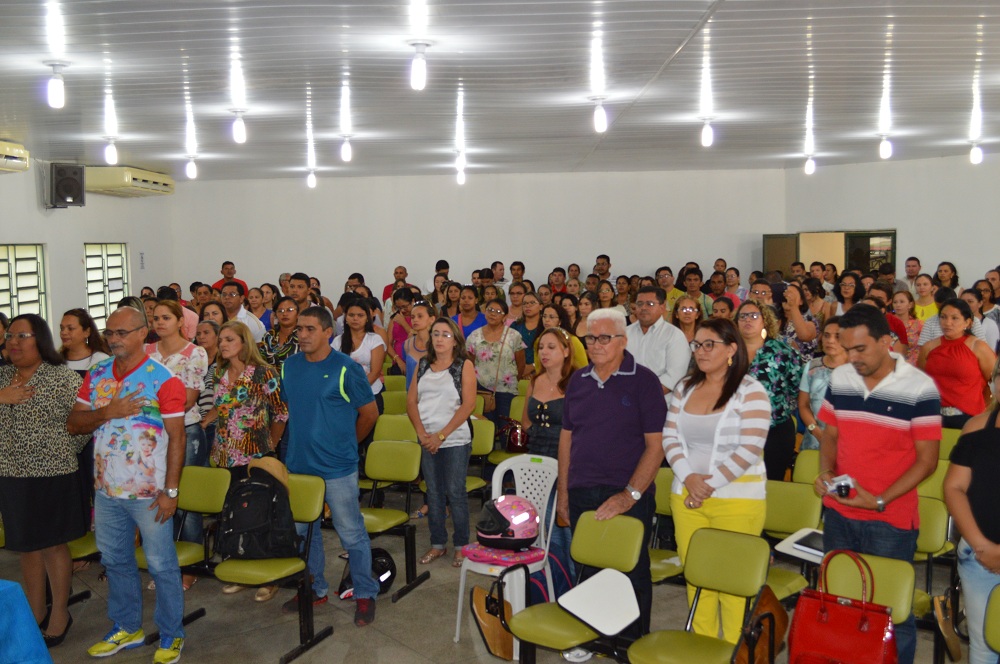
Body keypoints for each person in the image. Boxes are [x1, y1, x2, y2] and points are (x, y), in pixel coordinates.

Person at [813, 303, 942, 664]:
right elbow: (830, 436)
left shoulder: (919, 387)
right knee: (841, 602)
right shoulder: (841, 379)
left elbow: (927, 461)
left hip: (891, 519)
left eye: (860, 349)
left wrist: (880, 500)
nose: (852, 357)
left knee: (890, 612)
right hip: (840, 513)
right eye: (846, 348)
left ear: (886, 342)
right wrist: (824, 472)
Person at [68, 306, 188, 662]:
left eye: (122, 333)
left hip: (150, 495)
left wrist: (171, 492)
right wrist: (108, 411)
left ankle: (171, 634)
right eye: (110, 333)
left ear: (142, 333)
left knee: (161, 565)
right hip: (106, 491)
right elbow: (75, 423)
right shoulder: (97, 373)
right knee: (116, 560)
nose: (114, 339)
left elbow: (177, 438)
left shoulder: (163, 378)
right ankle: (127, 627)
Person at [556, 308, 667, 637]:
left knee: (630, 571)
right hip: (581, 490)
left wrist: (628, 496)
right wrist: (563, 493)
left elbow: (656, 446)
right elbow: (567, 440)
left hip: (627, 492)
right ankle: (592, 638)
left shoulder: (644, 381)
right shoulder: (578, 379)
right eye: (591, 338)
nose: (596, 344)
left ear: (623, 340)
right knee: (588, 567)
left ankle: (632, 644)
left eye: (605, 337)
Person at [663, 317, 771, 643]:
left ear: (731, 349)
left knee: (733, 585)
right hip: (687, 498)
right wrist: (690, 479)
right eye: (697, 344)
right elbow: (671, 438)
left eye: (710, 344)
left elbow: (750, 448)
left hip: (738, 502)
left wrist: (706, 485)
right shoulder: (684, 387)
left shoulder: (750, 390)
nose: (701, 351)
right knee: (697, 580)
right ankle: (702, 648)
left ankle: (733, 651)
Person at [280, 306, 379, 626]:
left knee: (351, 532)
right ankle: (315, 587)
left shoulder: (346, 368)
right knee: (303, 532)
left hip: (337, 466)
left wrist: (346, 445)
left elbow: (369, 415)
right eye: (300, 329)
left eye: (310, 329)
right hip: (299, 464)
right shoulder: (290, 367)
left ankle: (365, 592)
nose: (303, 335)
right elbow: (287, 411)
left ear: (327, 333)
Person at [0, 314, 87, 648]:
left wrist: (55, 451)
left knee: (51, 544)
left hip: (53, 473)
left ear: (41, 340)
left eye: (22, 336)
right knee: (27, 546)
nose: (14, 342)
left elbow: (80, 426)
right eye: (10, 336)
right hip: (10, 474)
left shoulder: (62, 378)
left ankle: (60, 612)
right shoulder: (2, 377)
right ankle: (34, 611)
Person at [146, 300, 209, 592]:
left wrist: (150, 409)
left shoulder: (194, 352)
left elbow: (188, 398)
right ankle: (165, 563)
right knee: (158, 498)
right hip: (152, 436)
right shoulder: (147, 352)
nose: (159, 322)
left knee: (185, 502)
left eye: (166, 317)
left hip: (185, 430)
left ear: (179, 322)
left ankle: (190, 566)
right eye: (156, 318)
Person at [406, 317, 477, 567]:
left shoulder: (462, 365)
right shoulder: (423, 364)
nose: (439, 338)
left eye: (445, 334)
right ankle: (438, 544)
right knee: (433, 494)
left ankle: (461, 545)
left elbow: (469, 404)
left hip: (455, 439)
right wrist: (422, 433)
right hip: (427, 440)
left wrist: (441, 435)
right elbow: (411, 400)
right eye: (435, 333)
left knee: (455, 493)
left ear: (455, 339)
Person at [943, 359, 1000, 664]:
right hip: (981, 559)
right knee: (984, 645)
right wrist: (982, 546)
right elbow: (954, 488)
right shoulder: (977, 427)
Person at [521, 326, 577, 577]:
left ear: (566, 351)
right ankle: (553, 583)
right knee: (543, 525)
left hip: (567, 461)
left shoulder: (577, 381)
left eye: (551, 347)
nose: (544, 352)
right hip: (536, 459)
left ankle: (574, 583)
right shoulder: (535, 380)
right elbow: (525, 421)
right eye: (541, 347)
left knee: (565, 526)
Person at [736, 300, 802, 481]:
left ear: (765, 321)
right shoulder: (727, 351)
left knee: (772, 483)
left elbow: (796, 387)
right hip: (734, 429)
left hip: (775, 430)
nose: (748, 320)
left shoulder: (783, 352)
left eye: (754, 315)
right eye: (743, 316)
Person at [918, 299, 996, 430]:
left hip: (969, 418)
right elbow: (920, 380)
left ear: (967, 322)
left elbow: (994, 380)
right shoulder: (929, 347)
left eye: (955, 318)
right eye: (943, 317)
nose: (948, 323)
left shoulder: (978, 347)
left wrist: (985, 409)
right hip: (932, 416)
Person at [466, 299, 526, 422]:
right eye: (490, 310)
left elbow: (521, 363)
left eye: (498, 311)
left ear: (505, 316)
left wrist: (510, 379)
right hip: (480, 389)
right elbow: (469, 363)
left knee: (505, 430)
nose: (493, 314)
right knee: (483, 427)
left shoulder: (514, 336)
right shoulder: (474, 336)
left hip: (507, 391)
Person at [626, 286, 691, 397]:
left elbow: (674, 377)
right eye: (640, 304)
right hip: (626, 399)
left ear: (662, 307)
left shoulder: (674, 335)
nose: (643, 308)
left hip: (660, 402)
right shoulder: (624, 333)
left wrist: (642, 396)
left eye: (650, 304)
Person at [797, 317, 846, 450]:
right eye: (826, 335)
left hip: (847, 445)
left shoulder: (858, 370)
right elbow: (803, 405)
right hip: (814, 439)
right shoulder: (812, 366)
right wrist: (816, 431)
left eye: (837, 336)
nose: (830, 341)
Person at [333, 299, 387, 413]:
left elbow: (375, 372)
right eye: (351, 315)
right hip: (344, 397)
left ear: (367, 318)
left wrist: (356, 391)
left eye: (360, 315)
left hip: (370, 394)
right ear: (345, 318)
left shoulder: (374, 339)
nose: (355, 318)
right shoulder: (337, 341)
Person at [535, 304, 588, 371]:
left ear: (560, 321)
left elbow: (584, 367)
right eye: (544, 316)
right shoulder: (538, 340)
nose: (546, 320)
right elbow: (538, 368)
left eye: (551, 317)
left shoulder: (572, 340)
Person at [780, 281, 820, 360]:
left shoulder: (809, 320)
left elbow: (804, 335)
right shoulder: (775, 320)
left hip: (801, 367)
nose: (788, 298)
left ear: (801, 301)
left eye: (792, 295)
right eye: (785, 295)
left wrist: (793, 306)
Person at [512, 291, 543, 376]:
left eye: (532, 303)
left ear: (541, 306)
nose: (528, 306)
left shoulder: (545, 327)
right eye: (525, 303)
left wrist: (533, 366)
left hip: (541, 371)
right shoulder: (515, 326)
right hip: (517, 371)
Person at [962, 288, 1000, 352]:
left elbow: (992, 351)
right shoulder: (956, 322)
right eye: (962, 302)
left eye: (970, 301)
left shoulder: (989, 323)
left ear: (980, 303)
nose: (965, 305)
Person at [891, 290, 923, 364]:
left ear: (910, 304)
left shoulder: (919, 324)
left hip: (914, 366)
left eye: (902, 302)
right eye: (895, 302)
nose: (898, 305)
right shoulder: (887, 323)